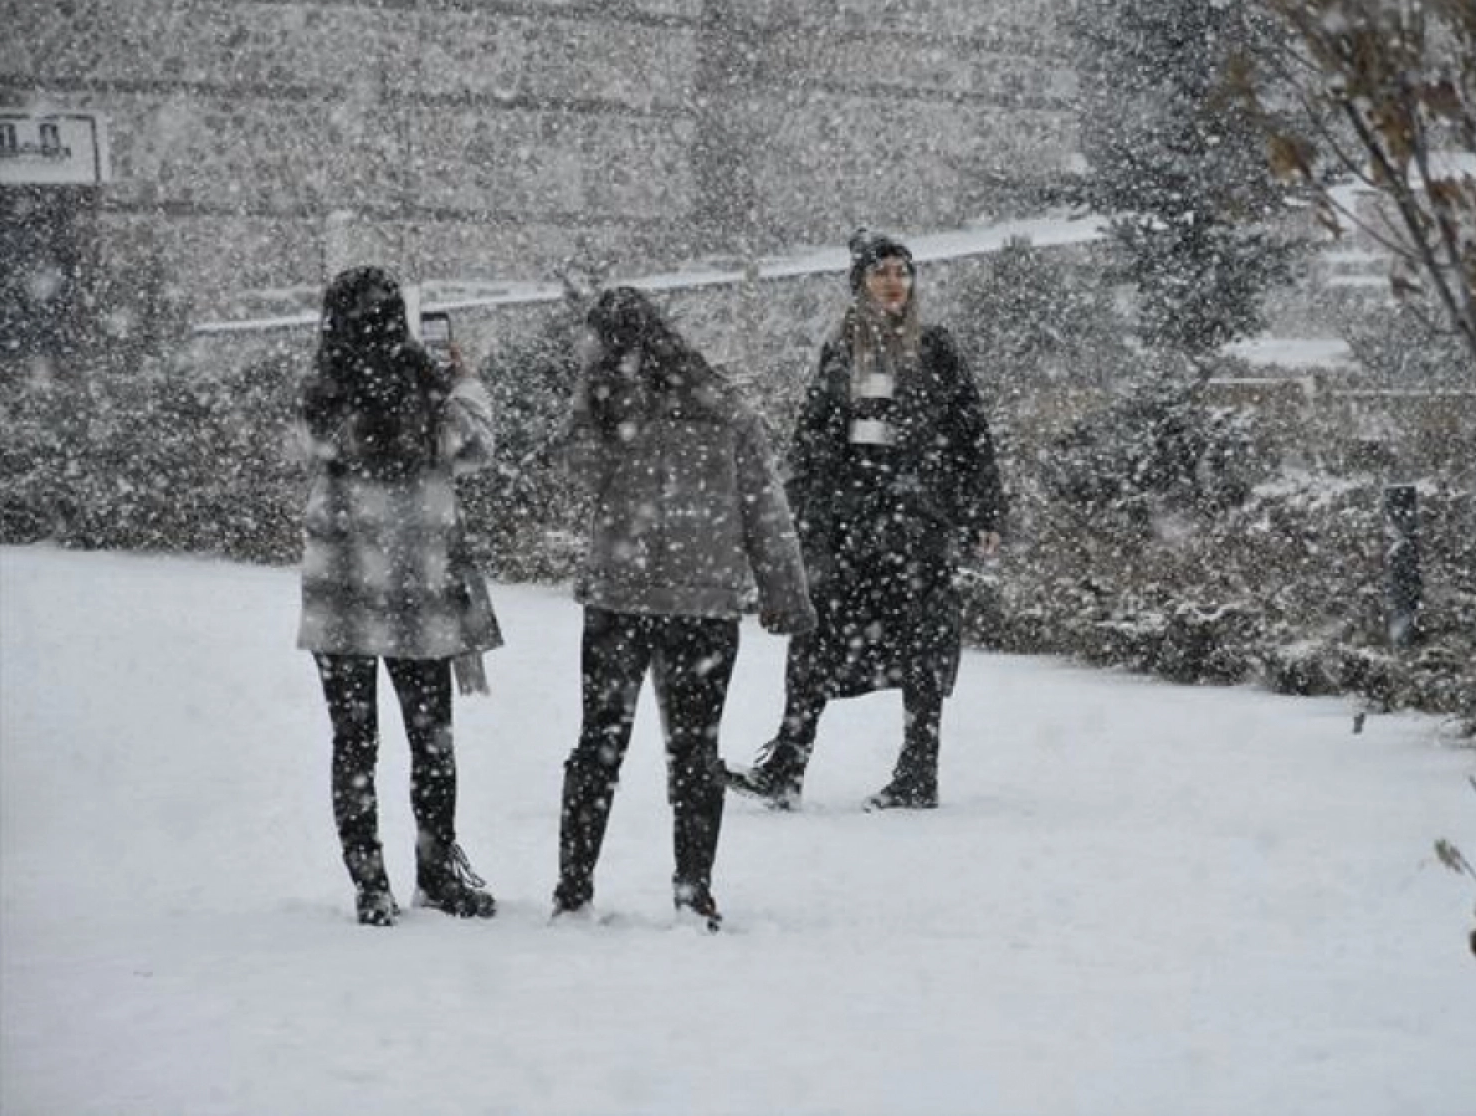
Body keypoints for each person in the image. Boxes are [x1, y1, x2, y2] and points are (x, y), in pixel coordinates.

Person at [552, 287, 814, 930]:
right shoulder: (721, 403)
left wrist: (595, 402)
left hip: (621, 596)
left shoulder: (609, 406)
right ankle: (693, 891)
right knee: (696, 750)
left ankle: (573, 888)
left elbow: (567, 479)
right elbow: (764, 506)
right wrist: (785, 593)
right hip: (705, 602)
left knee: (599, 743)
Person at [726, 229, 1006, 812]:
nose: (894, 282)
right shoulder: (840, 349)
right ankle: (786, 767)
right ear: (860, 283)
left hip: (916, 525)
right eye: (882, 272)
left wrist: (982, 511)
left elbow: (971, 435)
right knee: (815, 641)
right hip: (847, 525)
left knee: (923, 648)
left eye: (902, 272)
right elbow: (813, 435)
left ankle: (917, 775)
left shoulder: (936, 347)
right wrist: (799, 507)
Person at [296, 266, 501, 927]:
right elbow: (475, 448)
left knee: (353, 743)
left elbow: (298, 454)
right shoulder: (429, 394)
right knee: (430, 738)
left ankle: (370, 883)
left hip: (341, 596)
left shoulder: (320, 396)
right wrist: (463, 378)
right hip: (417, 590)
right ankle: (437, 870)